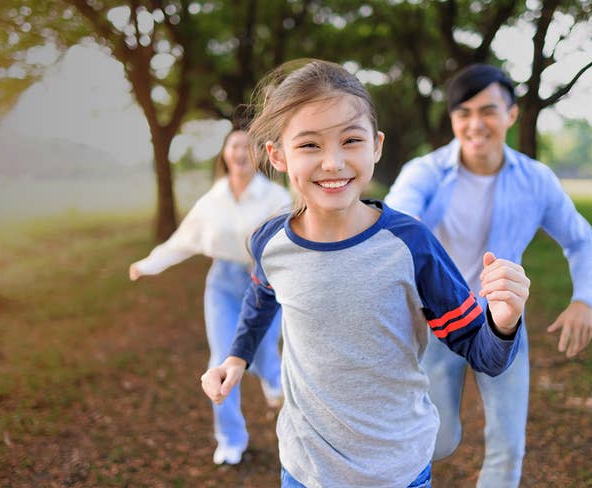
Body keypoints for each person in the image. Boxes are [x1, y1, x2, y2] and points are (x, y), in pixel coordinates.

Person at [199, 59, 531, 488]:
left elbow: (481, 350)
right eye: (310, 146)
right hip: (304, 469)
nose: (333, 162)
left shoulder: (411, 245)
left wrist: (503, 323)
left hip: (398, 470)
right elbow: (261, 297)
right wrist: (237, 357)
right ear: (277, 155)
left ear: (375, 146)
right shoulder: (271, 243)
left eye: (350, 140)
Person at [384, 64, 592, 487]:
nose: (475, 123)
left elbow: (581, 240)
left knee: (507, 447)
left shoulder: (535, 180)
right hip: (438, 322)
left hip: (502, 325)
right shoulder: (425, 173)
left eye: (488, 110)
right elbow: (396, 224)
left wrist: (585, 298)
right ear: (452, 120)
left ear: (512, 115)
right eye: (463, 112)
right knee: (437, 439)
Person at [128, 127, 290, 466]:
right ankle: (231, 438)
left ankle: (275, 383)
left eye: (247, 146)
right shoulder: (213, 199)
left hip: (262, 284)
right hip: (222, 285)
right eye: (234, 146)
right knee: (222, 358)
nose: (241, 152)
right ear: (225, 154)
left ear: (258, 154)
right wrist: (149, 264)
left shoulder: (275, 197)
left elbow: (290, 240)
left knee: (260, 354)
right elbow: (184, 238)